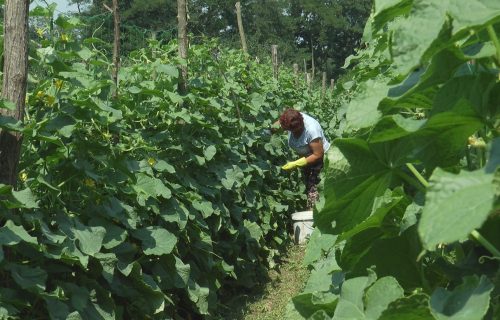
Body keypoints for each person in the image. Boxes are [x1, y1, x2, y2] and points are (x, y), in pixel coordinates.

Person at [270, 108, 330, 210]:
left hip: (320, 160)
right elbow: (279, 123)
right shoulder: (290, 118)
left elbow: (318, 154)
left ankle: (316, 215)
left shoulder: (311, 130)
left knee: (314, 187)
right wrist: (269, 130)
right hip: (305, 158)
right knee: (308, 184)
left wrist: (297, 163)